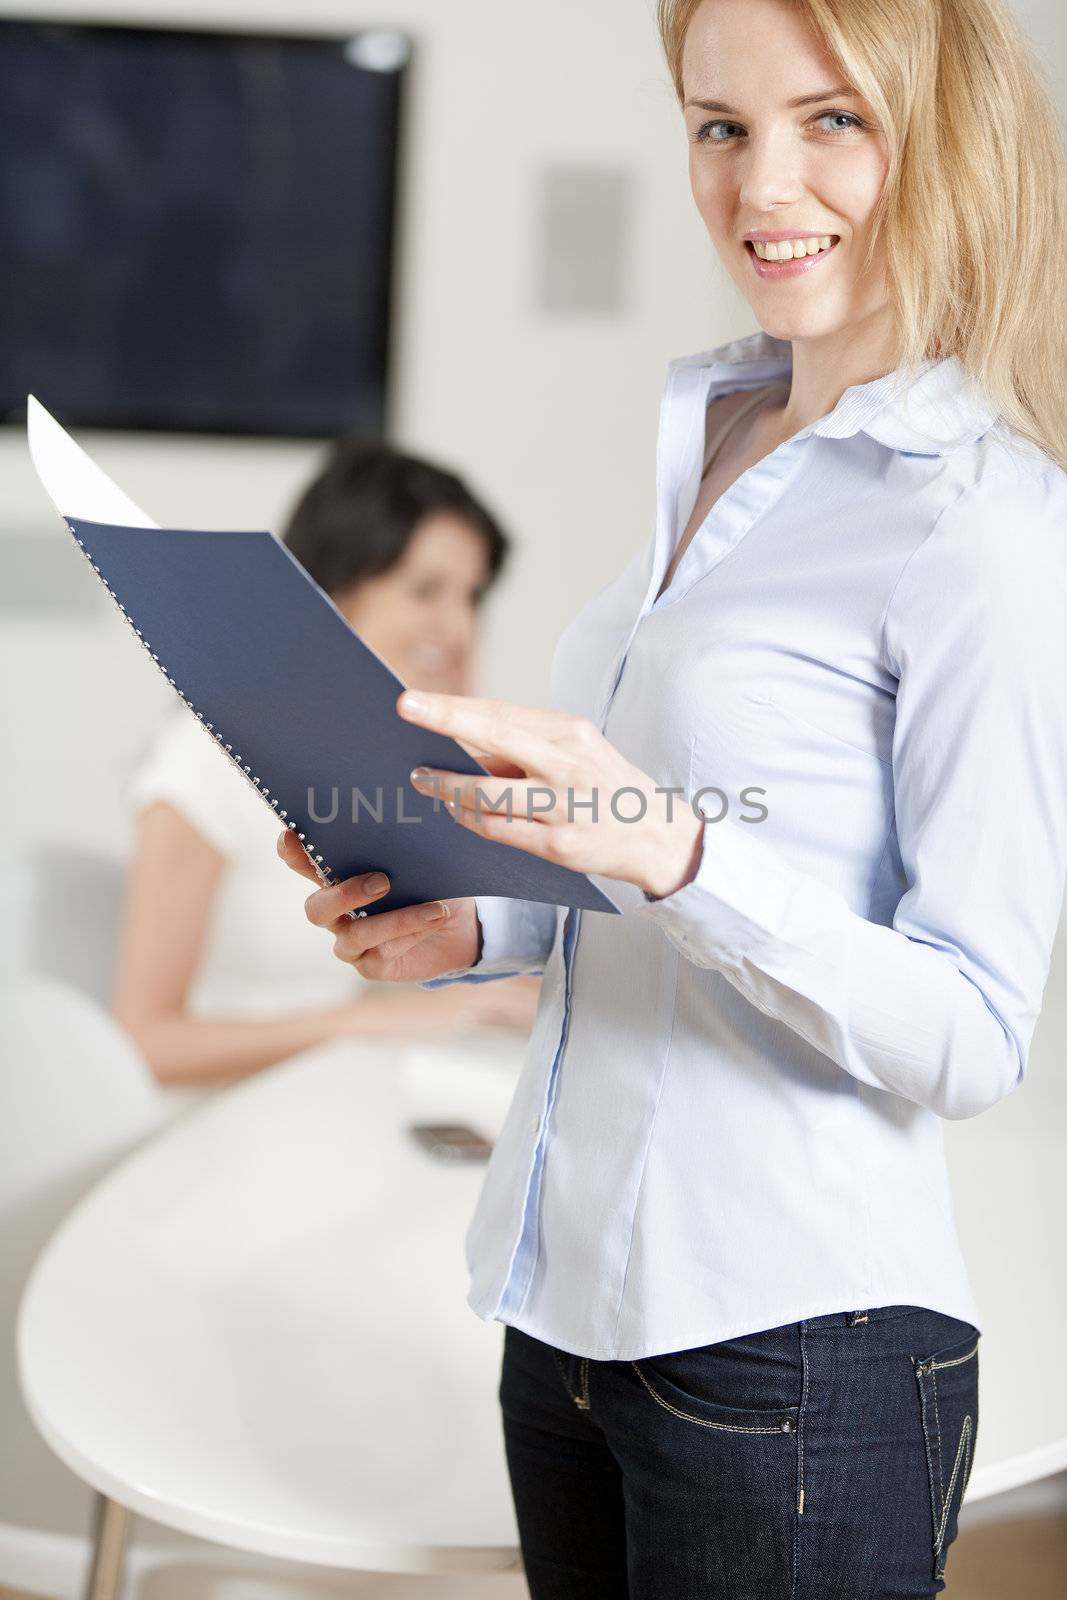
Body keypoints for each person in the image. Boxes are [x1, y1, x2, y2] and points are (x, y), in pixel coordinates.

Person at [278, 0, 1067, 1592]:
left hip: (790, 1352)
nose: (760, 183)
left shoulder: (981, 518)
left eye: (828, 118)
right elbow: (658, 880)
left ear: (946, 133)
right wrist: (474, 922)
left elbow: (972, 1029)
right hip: (562, 1313)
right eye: (718, 126)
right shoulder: (710, 434)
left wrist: (668, 844)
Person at [113, 440, 540, 1087]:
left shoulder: (420, 769)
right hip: (233, 1131)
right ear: (329, 594)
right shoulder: (207, 758)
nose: (457, 628)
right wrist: (383, 1021)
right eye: (425, 590)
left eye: (471, 596)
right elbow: (144, 1041)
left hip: (364, 1107)